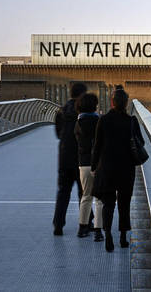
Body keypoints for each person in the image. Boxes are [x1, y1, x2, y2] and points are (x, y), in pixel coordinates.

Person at [91, 86, 143, 252]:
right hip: (126, 169)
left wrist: (94, 167)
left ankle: (108, 235)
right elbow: (140, 142)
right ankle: (122, 237)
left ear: (112, 103)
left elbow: (97, 146)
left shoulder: (103, 120)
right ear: (126, 103)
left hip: (107, 168)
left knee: (108, 204)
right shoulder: (131, 122)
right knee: (124, 203)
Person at [52, 82, 87, 236]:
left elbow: (58, 134)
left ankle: (58, 224)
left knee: (63, 192)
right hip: (81, 157)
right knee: (83, 192)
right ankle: (85, 223)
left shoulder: (61, 111)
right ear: (81, 95)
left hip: (65, 156)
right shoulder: (84, 113)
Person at [74, 92, 103, 240]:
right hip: (98, 163)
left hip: (83, 163)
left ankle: (82, 228)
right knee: (99, 198)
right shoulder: (99, 122)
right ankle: (98, 231)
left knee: (86, 196)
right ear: (94, 106)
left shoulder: (78, 123)